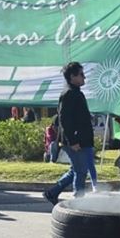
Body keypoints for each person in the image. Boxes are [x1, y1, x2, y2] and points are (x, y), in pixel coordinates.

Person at [43, 62, 94, 204]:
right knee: (81, 171)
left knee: (76, 169)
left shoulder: (76, 92)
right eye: (81, 75)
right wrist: (73, 141)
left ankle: (52, 193)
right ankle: (79, 203)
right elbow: (64, 119)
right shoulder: (69, 93)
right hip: (74, 141)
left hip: (80, 139)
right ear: (72, 76)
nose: (84, 78)